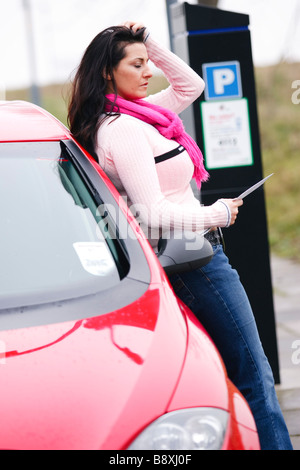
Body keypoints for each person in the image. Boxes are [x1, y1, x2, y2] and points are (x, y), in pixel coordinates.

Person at [68, 21, 293, 450]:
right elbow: (152, 210)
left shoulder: (141, 114)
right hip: (195, 263)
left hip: (191, 257)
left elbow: (191, 85)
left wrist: (147, 41)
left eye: (148, 62)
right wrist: (217, 213)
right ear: (107, 72)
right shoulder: (126, 129)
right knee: (253, 373)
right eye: (137, 64)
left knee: (235, 372)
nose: (148, 70)